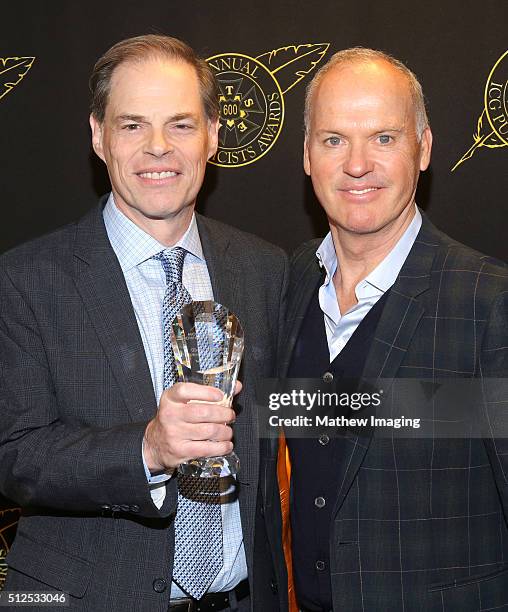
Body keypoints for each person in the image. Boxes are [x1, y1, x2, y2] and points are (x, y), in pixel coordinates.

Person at [0, 34, 288, 612]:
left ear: (212, 135)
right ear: (98, 137)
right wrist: (149, 449)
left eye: (180, 125)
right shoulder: (26, 278)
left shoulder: (266, 268)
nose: (159, 148)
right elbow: (14, 455)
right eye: (132, 126)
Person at [261, 48, 508, 611]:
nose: (356, 164)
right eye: (333, 139)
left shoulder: (490, 302)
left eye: (384, 138)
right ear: (305, 155)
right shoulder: (287, 282)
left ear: (423, 148)